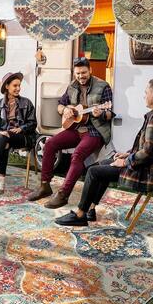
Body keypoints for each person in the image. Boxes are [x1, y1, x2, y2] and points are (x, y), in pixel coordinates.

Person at [55, 78, 153, 226]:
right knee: (102, 164)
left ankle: (80, 214)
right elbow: (152, 148)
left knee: (93, 172)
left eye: (146, 92)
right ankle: (90, 209)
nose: (144, 96)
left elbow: (149, 153)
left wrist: (125, 162)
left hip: (148, 172)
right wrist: (128, 154)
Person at [28, 57, 114, 208]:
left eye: (84, 72)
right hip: (76, 128)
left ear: (90, 70)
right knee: (50, 144)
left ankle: (63, 195)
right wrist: (66, 109)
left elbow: (110, 114)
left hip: (95, 131)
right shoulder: (72, 86)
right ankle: (45, 186)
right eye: (78, 73)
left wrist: (100, 113)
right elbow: (60, 105)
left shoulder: (103, 86)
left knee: (77, 155)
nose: (81, 76)